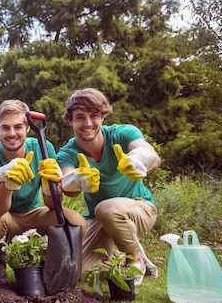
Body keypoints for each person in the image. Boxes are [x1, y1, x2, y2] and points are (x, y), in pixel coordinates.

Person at [56, 88, 160, 285]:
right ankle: (125, 248)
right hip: (100, 219)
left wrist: (139, 159)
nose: (88, 123)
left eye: (94, 116)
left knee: (106, 208)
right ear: (70, 121)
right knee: (79, 273)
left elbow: (152, 156)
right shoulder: (67, 153)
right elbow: (68, 187)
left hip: (139, 208)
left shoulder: (121, 133)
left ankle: (134, 260)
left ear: (102, 116)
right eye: (80, 117)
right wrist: (78, 178)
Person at [0, 99, 87, 284]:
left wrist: (49, 185)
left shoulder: (43, 148)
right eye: (5, 128)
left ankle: (50, 264)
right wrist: (8, 184)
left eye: (18, 126)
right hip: (7, 219)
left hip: (35, 215)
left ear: (28, 127)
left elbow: (53, 206)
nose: (12, 133)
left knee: (74, 221)